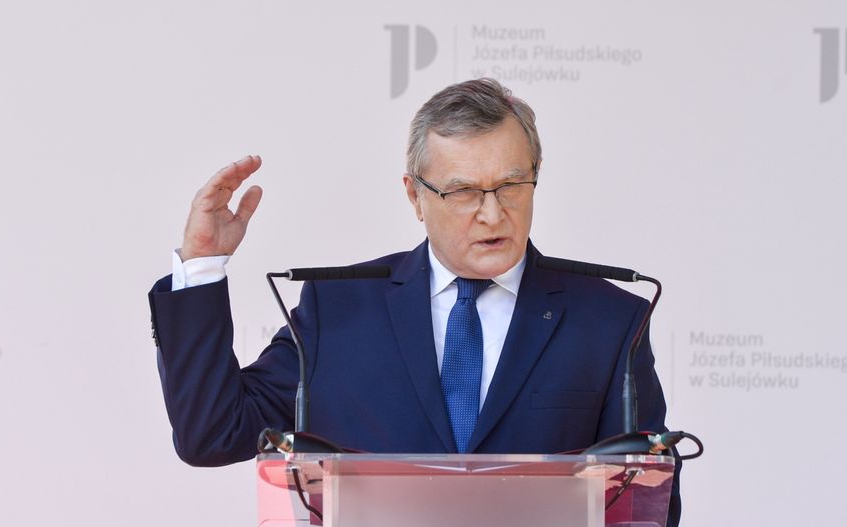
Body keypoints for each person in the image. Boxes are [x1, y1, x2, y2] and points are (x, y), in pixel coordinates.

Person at [148, 78, 680, 525]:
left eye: (512, 185)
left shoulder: (610, 322)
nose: (493, 214)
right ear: (415, 196)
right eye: (463, 192)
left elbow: (647, 505)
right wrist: (202, 265)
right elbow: (213, 434)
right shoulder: (339, 310)